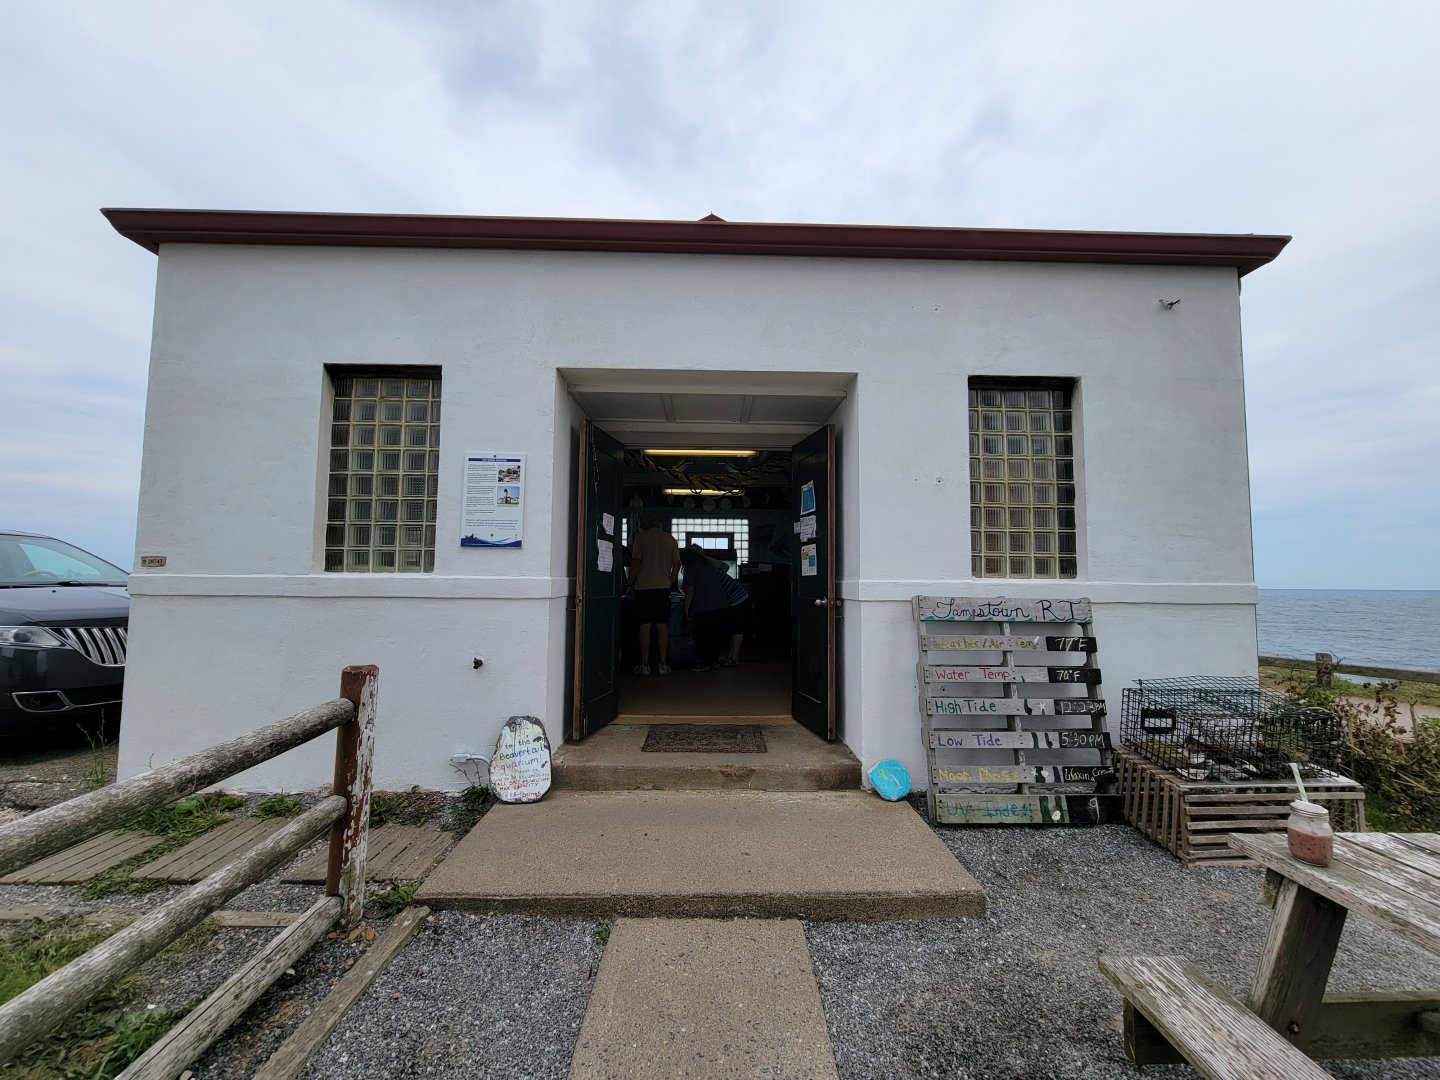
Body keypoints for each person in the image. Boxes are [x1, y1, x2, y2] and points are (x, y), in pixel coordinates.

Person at [681, 545, 750, 671]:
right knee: (716, 633)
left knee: (734, 629)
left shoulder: (694, 568)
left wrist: (687, 608)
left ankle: (731, 658)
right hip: (723, 603)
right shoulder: (708, 564)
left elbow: (690, 590)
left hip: (736, 598)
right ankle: (722, 659)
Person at [628, 515, 680, 676]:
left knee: (645, 626)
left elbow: (635, 561)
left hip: (643, 587)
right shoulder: (670, 539)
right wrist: (670, 580)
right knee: (662, 626)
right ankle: (663, 664)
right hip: (663, 588)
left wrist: (629, 583)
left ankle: (644, 665)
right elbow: (677, 563)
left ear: (645, 527)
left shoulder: (641, 537)